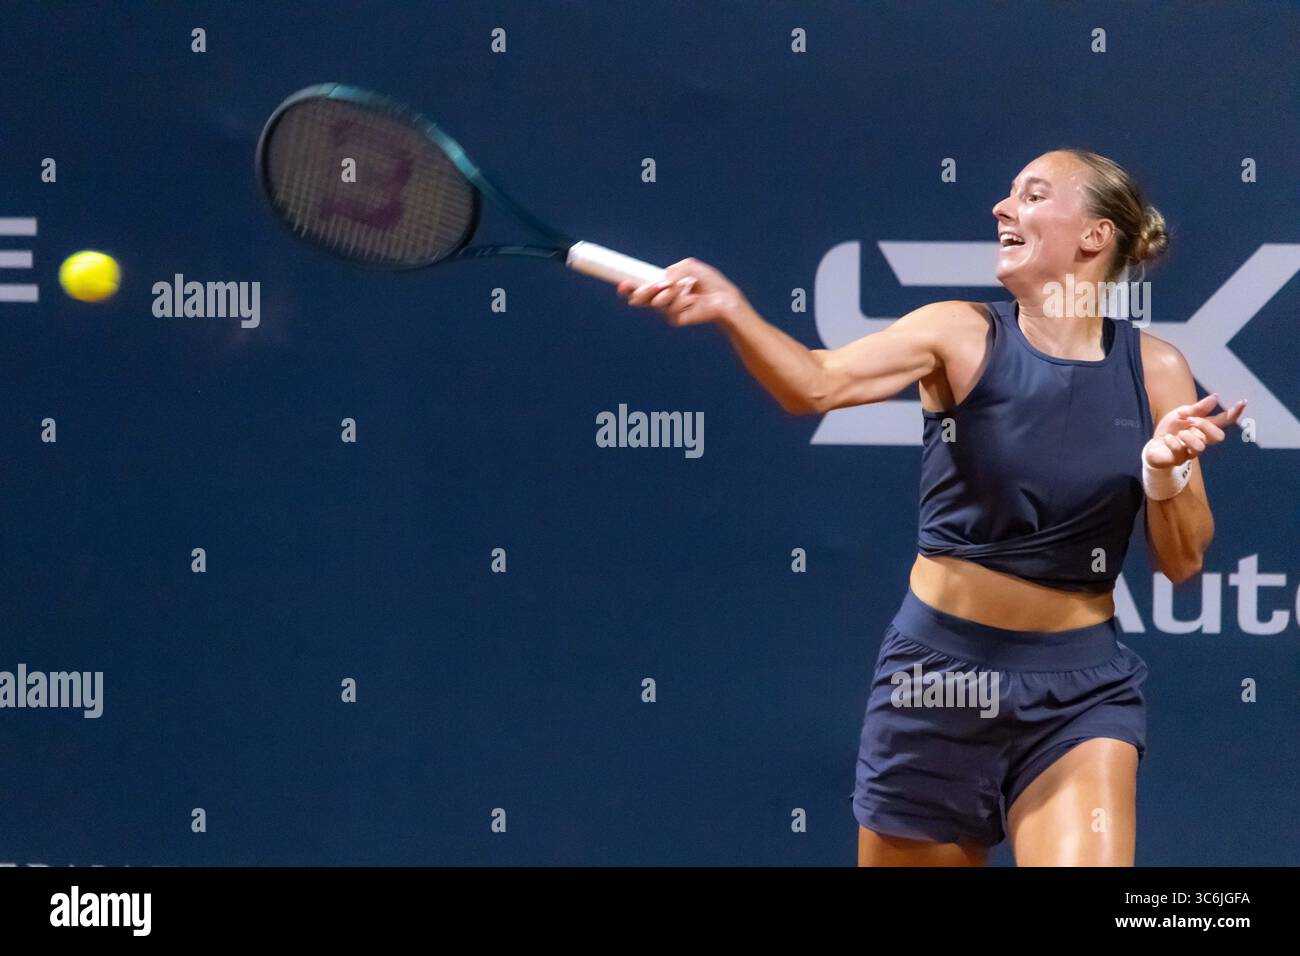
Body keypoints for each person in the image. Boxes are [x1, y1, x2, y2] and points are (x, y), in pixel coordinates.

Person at [616, 148, 1245, 866]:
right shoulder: (957, 331)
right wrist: (733, 311)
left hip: (1080, 692)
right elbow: (814, 386)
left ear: (1094, 237)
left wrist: (1164, 473)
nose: (1002, 209)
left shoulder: (1158, 370)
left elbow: (1184, 560)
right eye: (1009, 194)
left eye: (1032, 195)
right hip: (937, 682)